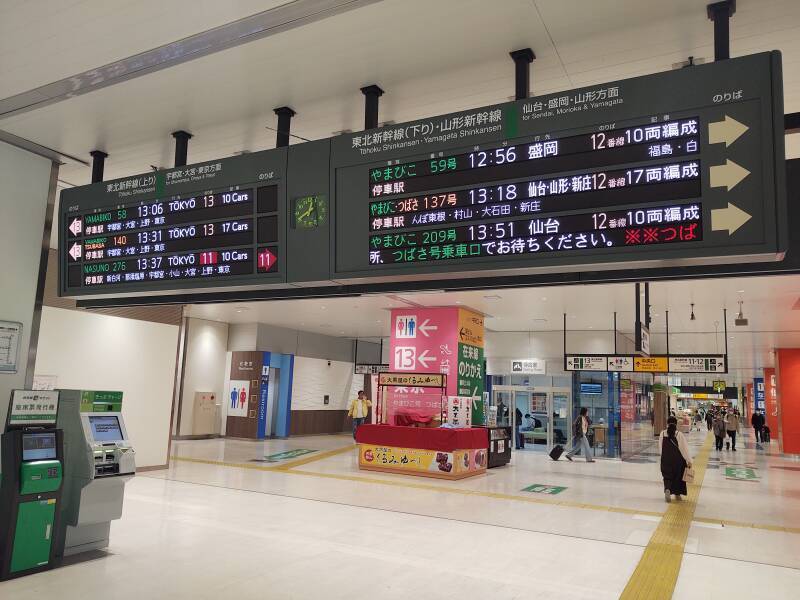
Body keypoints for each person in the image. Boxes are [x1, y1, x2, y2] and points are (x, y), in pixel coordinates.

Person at [659, 416, 692, 502]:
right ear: (676, 424)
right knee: (678, 476)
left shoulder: (662, 433)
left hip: (665, 459)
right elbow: (684, 449)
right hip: (677, 460)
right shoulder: (678, 434)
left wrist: (663, 458)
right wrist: (689, 461)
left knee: (667, 476)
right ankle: (677, 495)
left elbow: (660, 448)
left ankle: (667, 489)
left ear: (667, 424)